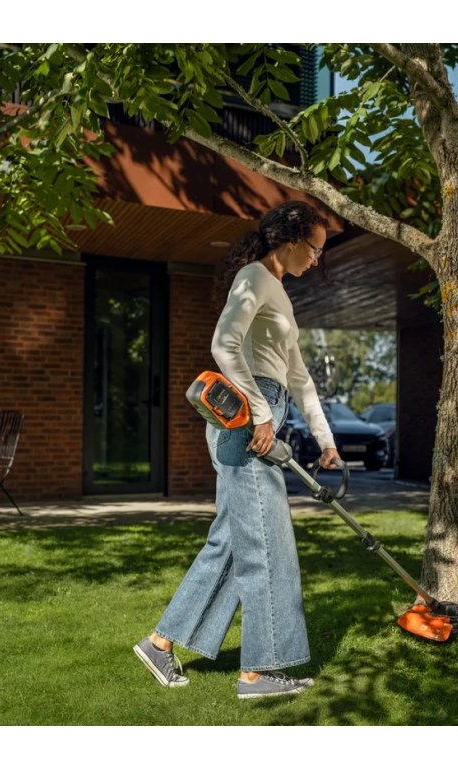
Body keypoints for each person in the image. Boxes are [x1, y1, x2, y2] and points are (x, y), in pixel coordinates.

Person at [134, 201, 340, 700]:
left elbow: (299, 377)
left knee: (232, 541)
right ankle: (260, 671)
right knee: (268, 542)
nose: (317, 259)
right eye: (314, 249)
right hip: (249, 422)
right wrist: (262, 415)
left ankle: (161, 643)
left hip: (261, 414)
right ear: (290, 241)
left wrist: (326, 440)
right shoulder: (254, 278)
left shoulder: (278, 292)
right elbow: (223, 344)